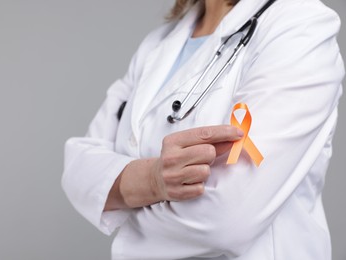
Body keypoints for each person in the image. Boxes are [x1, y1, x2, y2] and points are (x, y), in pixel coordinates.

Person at [62, 0, 345, 259]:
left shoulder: (299, 27)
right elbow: (77, 168)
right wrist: (152, 180)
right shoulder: (158, 43)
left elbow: (227, 218)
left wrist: (122, 197)